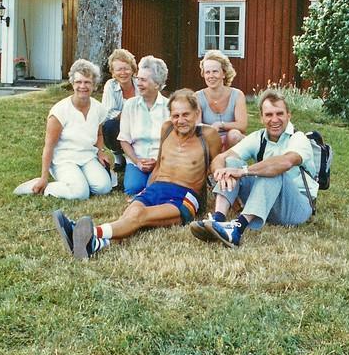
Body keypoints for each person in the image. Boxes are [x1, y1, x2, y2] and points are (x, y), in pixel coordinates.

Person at [52, 89, 222, 259]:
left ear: (197, 113)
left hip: (184, 196)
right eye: (175, 115)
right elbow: (160, 164)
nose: (180, 120)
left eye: (186, 114)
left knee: (140, 216)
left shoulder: (208, 135)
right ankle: (93, 245)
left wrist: (226, 200)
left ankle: (85, 232)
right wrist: (145, 192)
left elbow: (216, 167)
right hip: (156, 187)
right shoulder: (167, 129)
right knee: (130, 216)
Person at [190, 89, 316, 248]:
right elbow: (220, 158)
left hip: (296, 207)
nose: (274, 119)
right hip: (267, 202)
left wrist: (243, 172)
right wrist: (221, 172)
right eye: (269, 115)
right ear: (262, 118)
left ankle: (237, 229)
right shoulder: (258, 137)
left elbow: (284, 163)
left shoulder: (298, 138)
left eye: (280, 114)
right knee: (231, 163)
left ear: (288, 116)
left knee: (273, 170)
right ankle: (218, 219)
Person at [14, 59, 113, 200]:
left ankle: (77, 182)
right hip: (64, 159)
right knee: (81, 193)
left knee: (104, 188)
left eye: (87, 82)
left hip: (87, 157)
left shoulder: (98, 108)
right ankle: (43, 186)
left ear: (94, 85)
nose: (82, 86)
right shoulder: (60, 111)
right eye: (78, 82)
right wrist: (44, 177)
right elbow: (49, 146)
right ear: (72, 83)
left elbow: (99, 134)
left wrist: (101, 152)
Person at [117, 55, 170, 195]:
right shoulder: (130, 105)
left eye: (144, 80)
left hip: (161, 161)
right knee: (133, 189)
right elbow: (124, 139)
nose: (138, 83)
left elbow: (173, 143)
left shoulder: (169, 107)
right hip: (137, 159)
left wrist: (157, 161)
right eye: (138, 79)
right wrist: (137, 161)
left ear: (157, 84)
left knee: (154, 189)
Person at [196, 50, 247, 150]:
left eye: (215, 71)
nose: (211, 76)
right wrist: (211, 130)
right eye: (207, 72)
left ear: (224, 73)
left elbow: (242, 125)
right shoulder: (197, 96)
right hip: (209, 140)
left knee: (234, 135)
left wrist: (221, 125)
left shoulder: (237, 94)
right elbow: (197, 126)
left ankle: (233, 161)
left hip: (232, 142)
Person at [101, 49, 138, 170]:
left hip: (139, 124)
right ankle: (118, 156)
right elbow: (108, 113)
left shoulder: (140, 83)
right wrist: (129, 114)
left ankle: (133, 157)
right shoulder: (110, 85)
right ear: (113, 72)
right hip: (120, 124)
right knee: (109, 126)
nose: (123, 73)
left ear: (132, 69)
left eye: (126, 68)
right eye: (119, 69)